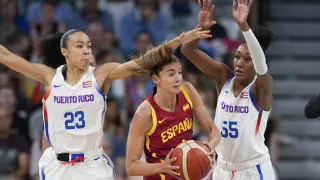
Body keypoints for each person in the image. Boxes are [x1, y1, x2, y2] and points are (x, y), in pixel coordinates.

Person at [0, 27, 211, 180]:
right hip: (58, 166)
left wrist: (178, 40)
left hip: (92, 165)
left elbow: (143, 62)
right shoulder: (49, 77)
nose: (86, 51)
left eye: (89, 46)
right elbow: (7, 56)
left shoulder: (101, 75)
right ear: (65, 52)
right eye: (79, 46)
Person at [181, 0, 275, 179]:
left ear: (255, 63)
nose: (239, 63)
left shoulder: (262, 86)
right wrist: (200, 28)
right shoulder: (223, 76)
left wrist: (243, 25)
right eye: (237, 57)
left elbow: (261, 66)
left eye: (247, 60)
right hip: (222, 168)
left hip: (253, 169)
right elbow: (187, 50)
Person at [125, 41, 221, 179]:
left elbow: (214, 131)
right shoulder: (145, 113)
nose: (178, 78)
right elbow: (131, 166)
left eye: (179, 72)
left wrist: (210, 146)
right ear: (156, 79)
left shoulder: (188, 91)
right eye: (171, 74)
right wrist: (163, 167)